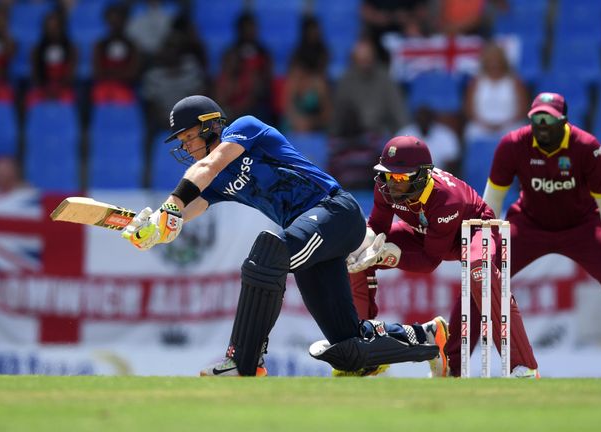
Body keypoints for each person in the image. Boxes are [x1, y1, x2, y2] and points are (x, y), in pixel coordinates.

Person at [120, 95, 449, 377]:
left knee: (266, 258)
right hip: (311, 233)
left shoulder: (244, 129)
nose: (187, 146)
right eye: (182, 141)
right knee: (348, 346)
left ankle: (244, 362)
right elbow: (189, 209)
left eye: (190, 136)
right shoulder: (217, 181)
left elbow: (203, 173)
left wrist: (171, 205)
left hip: (334, 212)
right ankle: (429, 338)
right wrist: (161, 228)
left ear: (211, 126)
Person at [458, 92, 601, 377]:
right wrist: (484, 251)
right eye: (537, 118)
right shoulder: (513, 144)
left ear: (564, 122)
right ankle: (454, 369)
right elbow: (491, 202)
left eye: (549, 119)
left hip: (582, 228)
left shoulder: (587, 148)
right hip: (528, 225)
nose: (542, 125)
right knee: (479, 279)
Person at [346, 135, 539, 378]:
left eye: (399, 177)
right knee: (355, 255)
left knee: (480, 271)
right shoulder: (385, 187)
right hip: (426, 232)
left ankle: (523, 366)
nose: (391, 184)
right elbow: (378, 227)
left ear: (421, 176)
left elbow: (429, 262)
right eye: (386, 174)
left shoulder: (447, 199)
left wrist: (391, 255)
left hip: (476, 230)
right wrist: (368, 243)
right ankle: (363, 354)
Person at [463, 42, 528, 145]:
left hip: (509, 125)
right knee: (471, 132)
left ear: (503, 61)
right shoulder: (476, 81)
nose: (494, 63)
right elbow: (469, 110)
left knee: (519, 133)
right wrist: (485, 125)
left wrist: (504, 125)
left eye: (497, 59)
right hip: (482, 126)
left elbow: (523, 109)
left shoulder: (515, 81)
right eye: (491, 59)